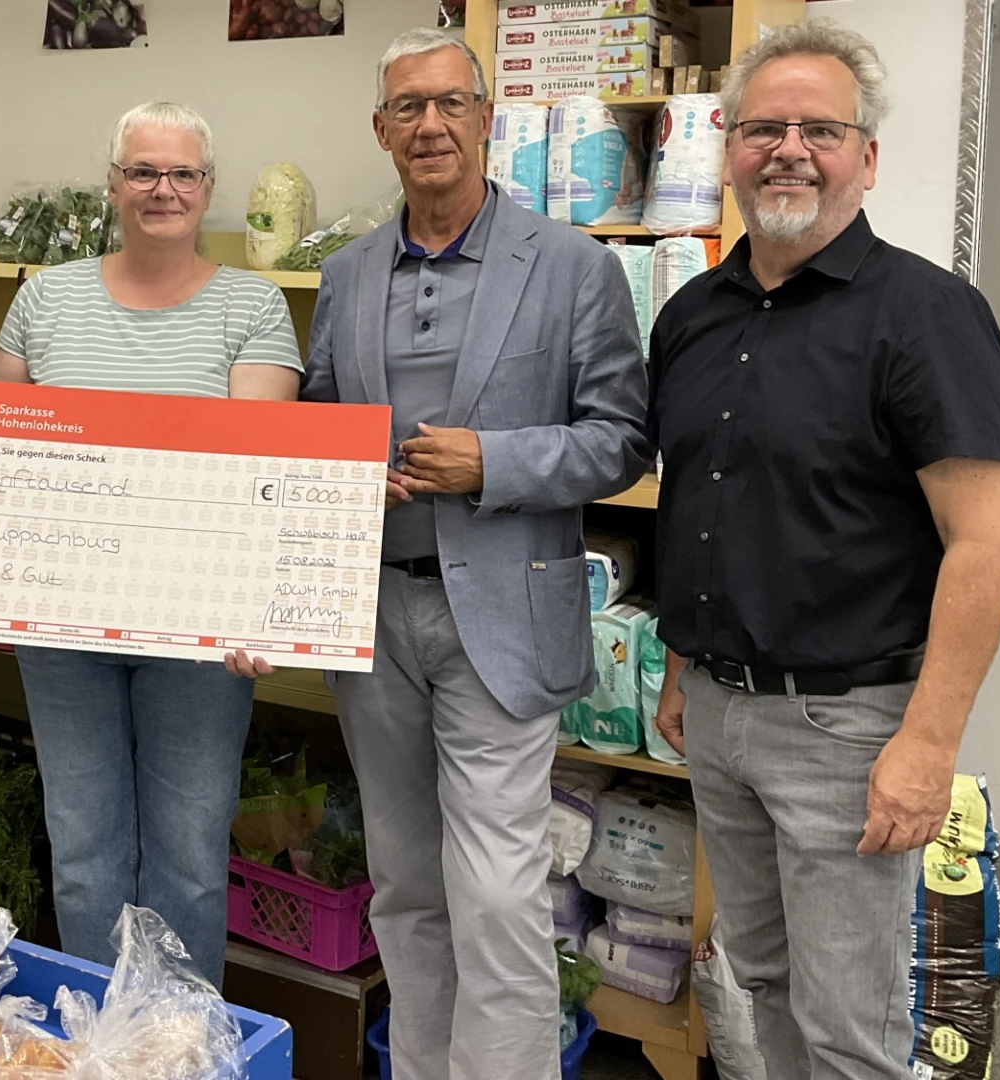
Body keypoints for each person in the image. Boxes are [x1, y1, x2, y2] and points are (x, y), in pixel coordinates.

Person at [231, 28, 650, 1079]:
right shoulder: (349, 273)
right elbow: (322, 419)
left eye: (449, 104)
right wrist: (336, 472)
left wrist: (493, 463)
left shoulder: (573, 267)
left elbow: (622, 439)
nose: (429, 125)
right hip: (373, 613)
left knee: (500, 893)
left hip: (504, 612)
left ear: (485, 118)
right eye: (407, 108)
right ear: (382, 131)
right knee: (407, 886)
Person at [647, 21, 1000, 1080]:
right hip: (718, 714)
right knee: (758, 981)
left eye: (821, 128)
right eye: (764, 127)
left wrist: (929, 744)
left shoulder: (927, 317)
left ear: (867, 156)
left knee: (847, 1027)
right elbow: (702, 500)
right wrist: (683, 665)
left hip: (848, 730)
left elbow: (985, 542)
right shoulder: (692, 315)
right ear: (726, 146)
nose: (789, 149)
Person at [0, 102, 303, 987]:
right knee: (85, 845)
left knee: (186, 852)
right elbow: (5, 445)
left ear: (207, 189)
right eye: (143, 171)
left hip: (197, 631)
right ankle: (95, 1034)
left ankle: (176, 1043)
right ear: (113, 185)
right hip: (64, 626)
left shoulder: (252, 306)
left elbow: (257, 473)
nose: (162, 190)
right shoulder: (45, 297)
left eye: (182, 174)